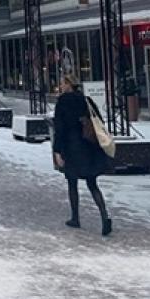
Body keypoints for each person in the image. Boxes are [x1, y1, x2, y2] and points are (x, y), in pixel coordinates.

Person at [52, 75, 112, 236]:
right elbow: (99, 121)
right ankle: (104, 215)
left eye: (63, 83)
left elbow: (60, 128)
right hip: (89, 145)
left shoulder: (63, 102)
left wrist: (57, 151)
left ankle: (75, 217)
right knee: (92, 183)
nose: (61, 86)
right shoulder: (86, 100)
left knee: (72, 182)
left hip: (71, 146)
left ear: (69, 85)